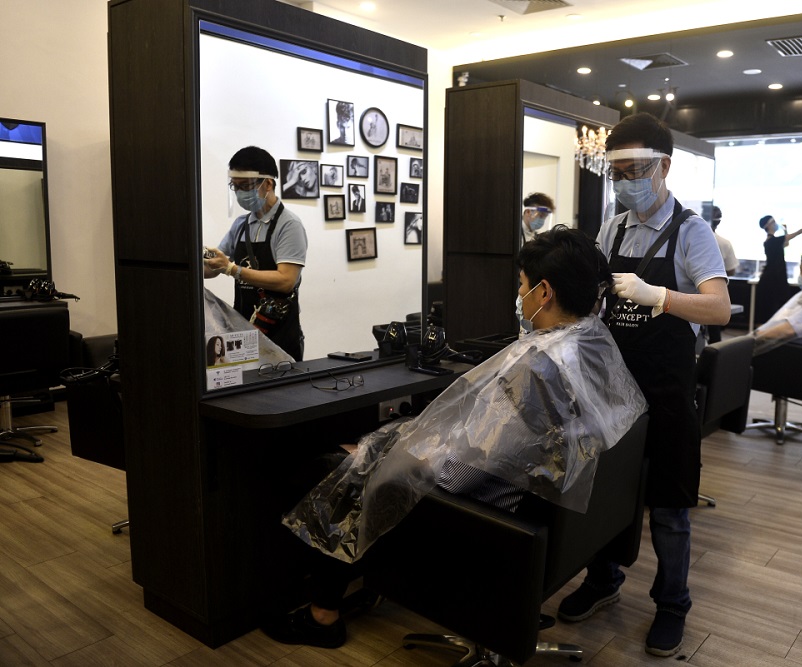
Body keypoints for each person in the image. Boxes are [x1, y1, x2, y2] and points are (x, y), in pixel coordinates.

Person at [264, 227, 647, 649]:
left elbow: (462, 476)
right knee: (380, 448)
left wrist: (391, 456)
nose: (519, 295)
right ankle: (368, 579)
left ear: (544, 292)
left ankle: (323, 616)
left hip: (488, 518)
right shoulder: (592, 345)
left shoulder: (536, 368)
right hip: (546, 516)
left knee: (341, 469)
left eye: (522, 285)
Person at [556, 112, 730, 658]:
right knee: (606, 493)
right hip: (611, 392)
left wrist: (660, 297)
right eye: (618, 171)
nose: (626, 180)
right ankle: (603, 578)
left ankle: (672, 603)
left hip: (667, 393)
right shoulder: (613, 228)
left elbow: (720, 309)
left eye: (636, 169)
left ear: (664, 167)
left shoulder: (691, 231)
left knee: (670, 510)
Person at [204, 146, 308, 360]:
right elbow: (214, 267)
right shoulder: (241, 225)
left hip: (278, 332)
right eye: (235, 186)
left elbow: (286, 281)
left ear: (267, 184)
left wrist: (232, 269)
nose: (240, 193)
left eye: (245, 186)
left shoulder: (289, 225)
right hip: (243, 328)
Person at [756, 214, 802, 325]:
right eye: (773, 222)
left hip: (773, 276)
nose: (776, 224)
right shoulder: (773, 241)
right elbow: (797, 233)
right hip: (774, 277)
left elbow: (786, 244)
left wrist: (785, 231)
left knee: (772, 306)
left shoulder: (771, 241)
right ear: (769, 225)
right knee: (774, 306)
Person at [707, 205, 738, 343]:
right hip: (715, 293)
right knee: (714, 331)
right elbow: (731, 270)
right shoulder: (724, 243)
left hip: (689, 292)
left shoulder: (688, 239)